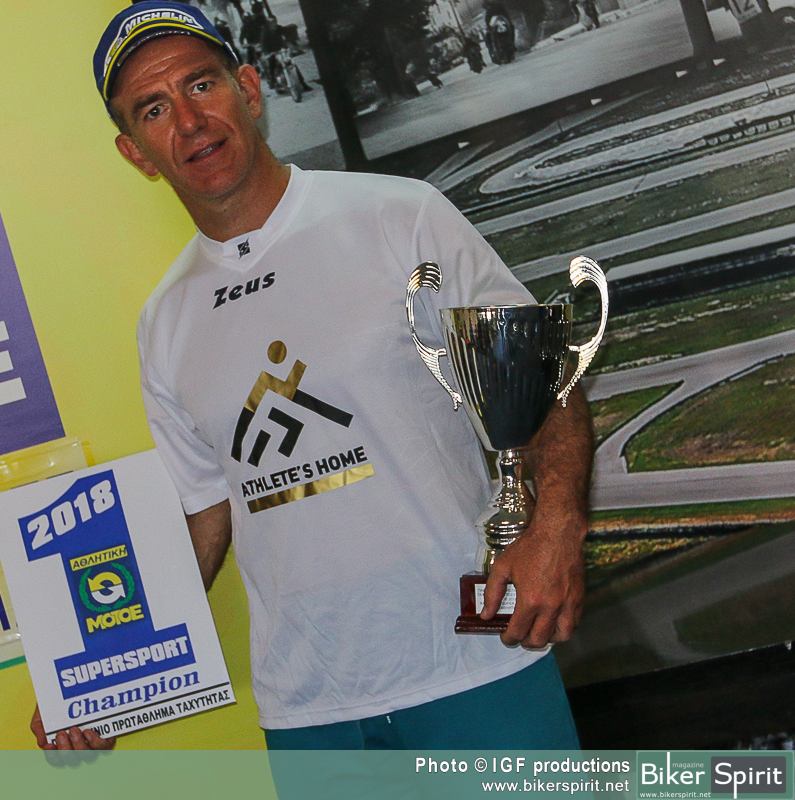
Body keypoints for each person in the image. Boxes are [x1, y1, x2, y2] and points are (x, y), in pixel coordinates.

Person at [33, 0, 592, 754]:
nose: (189, 122)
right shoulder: (164, 321)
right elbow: (204, 513)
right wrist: (96, 681)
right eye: (154, 109)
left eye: (201, 85)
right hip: (309, 711)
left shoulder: (399, 218)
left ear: (249, 88)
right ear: (136, 152)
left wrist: (556, 529)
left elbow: (543, 379)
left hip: (477, 665)